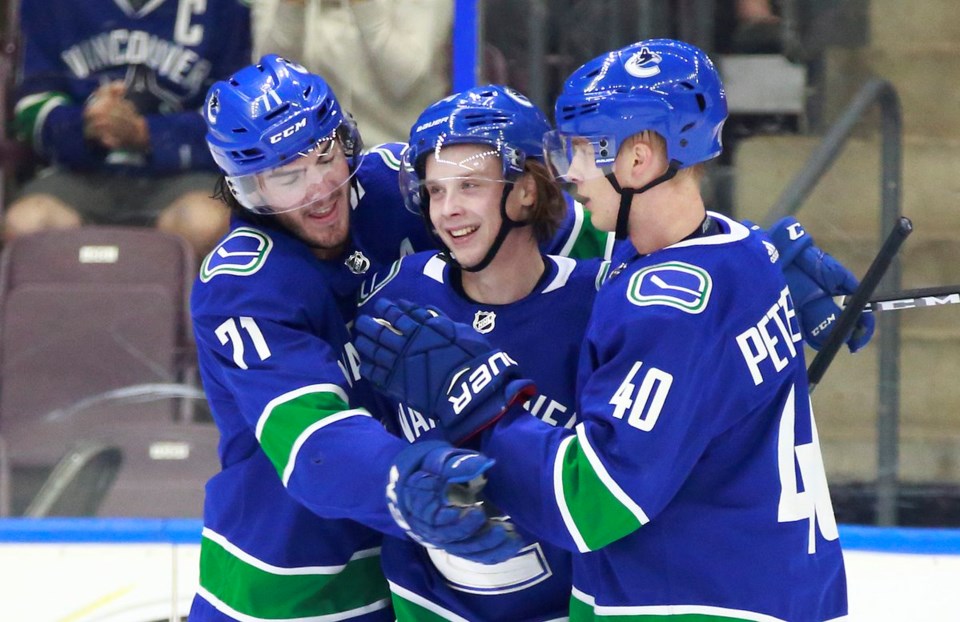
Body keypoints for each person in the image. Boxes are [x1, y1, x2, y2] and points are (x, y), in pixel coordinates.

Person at [356, 39, 850, 621]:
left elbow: (591, 503)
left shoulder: (668, 305)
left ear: (638, 160)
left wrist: (482, 397)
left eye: (588, 150)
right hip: (774, 588)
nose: (573, 173)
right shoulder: (745, 254)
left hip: (692, 603)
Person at [188, 55, 519, 621]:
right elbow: (313, 443)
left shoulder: (396, 188)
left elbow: (539, 227)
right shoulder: (242, 287)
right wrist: (408, 485)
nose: (320, 189)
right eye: (287, 176)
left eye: (324, 157)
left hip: (415, 564)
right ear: (248, 191)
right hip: (289, 581)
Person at [357, 84, 604, 621]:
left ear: (527, 191)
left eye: (469, 185)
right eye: (436, 190)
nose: (448, 211)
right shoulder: (398, 296)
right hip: (427, 606)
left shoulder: (597, 303)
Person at [4, 0, 251, 258]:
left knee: (207, 224)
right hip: (76, 174)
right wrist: (86, 125)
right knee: (27, 224)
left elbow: (235, 119)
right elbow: (30, 108)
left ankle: (182, 298)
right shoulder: (48, 6)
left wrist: (148, 133)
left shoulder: (225, 8)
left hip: (186, 178)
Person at [252, 0, 453, 146]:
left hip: (399, 152)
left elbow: (404, 80)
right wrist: (291, 6)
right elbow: (269, 84)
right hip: (313, 157)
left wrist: (363, 5)